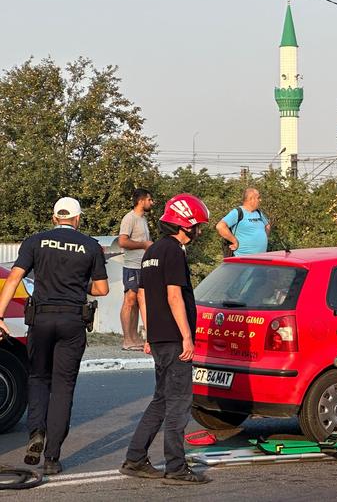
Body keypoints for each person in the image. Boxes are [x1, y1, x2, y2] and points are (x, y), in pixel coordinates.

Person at [0, 197, 109, 475]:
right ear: (78, 219)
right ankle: (52, 458)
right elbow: (102, 290)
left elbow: (13, 279)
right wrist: (77, 286)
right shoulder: (91, 246)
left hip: (42, 319)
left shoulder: (35, 242)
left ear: (53, 217)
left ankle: (36, 432)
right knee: (63, 387)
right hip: (73, 320)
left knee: (37, 378)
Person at [120, 193, 211, 485]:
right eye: (197, 225)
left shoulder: (151, 252)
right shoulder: (173, 252)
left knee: (160, 400)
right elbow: (174, 296)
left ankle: (135, 459)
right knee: (179, 403)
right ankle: (175, 466)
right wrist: (187, 337)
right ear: (186, 225)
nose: (199, 231)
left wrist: (148, 334)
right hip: (174, 339)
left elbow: (144, 296)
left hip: (158, 338)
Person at [118, 188, 154, 351]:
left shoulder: (143, 219)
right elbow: (123, 242)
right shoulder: (129, 218)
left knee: (139, 302)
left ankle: (134, 338)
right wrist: (144, 245)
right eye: (149, 200)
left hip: (143, 265)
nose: (151, 203)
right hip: (132, 266)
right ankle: (127, 339)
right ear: (141, 201)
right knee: (129, 300)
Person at [215, 187, 270, 256]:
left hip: (260, 258)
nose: (260, 200)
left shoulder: (258, 213)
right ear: (251, 199)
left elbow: (267, 225)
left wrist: (264, 239)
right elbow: (220, 226)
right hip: (242, 260)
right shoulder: (238, 212)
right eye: (258, 198)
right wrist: (234, 241)